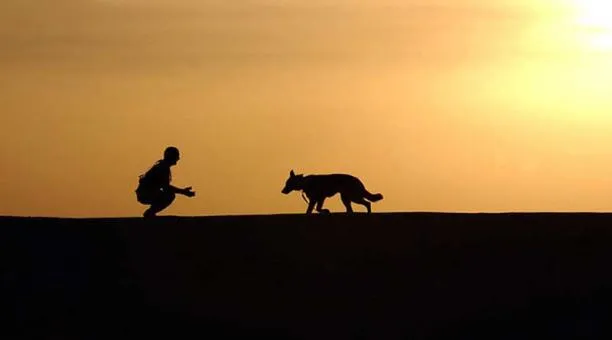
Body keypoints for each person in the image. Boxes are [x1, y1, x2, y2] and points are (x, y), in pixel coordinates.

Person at [135, 146, 195, 217]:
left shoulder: (163, 166)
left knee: (168, 194)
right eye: (177, 156)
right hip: (145, 194)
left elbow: (165, 186)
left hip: (146, 192)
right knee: (169, 195)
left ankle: (151, 212)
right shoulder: (163, 168)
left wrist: (183, 191)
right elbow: (166, 187)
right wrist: (183, 192)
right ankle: (150, 213)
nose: (178, 159)